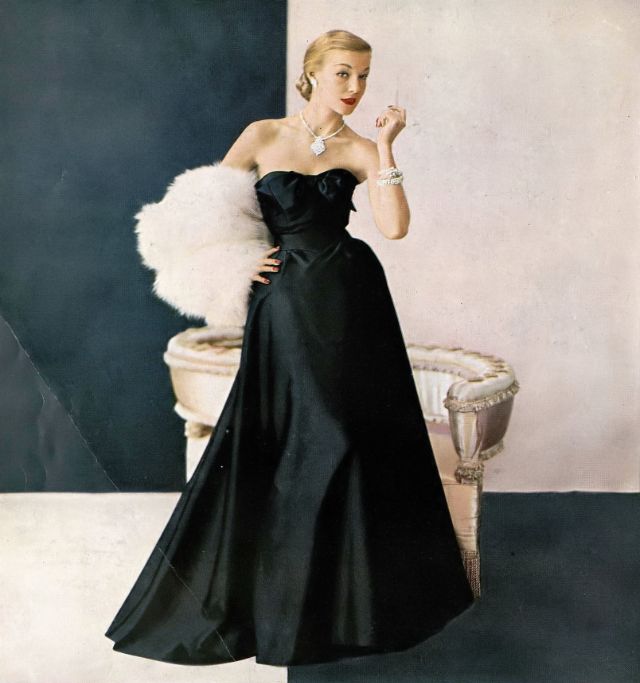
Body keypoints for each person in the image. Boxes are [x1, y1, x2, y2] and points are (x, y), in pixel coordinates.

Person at [105, 29, 474, 668]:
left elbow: (394, 227)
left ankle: (346, 608)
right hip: (284, 305)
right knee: (302, 438)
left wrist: (386, 147)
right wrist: (233, 265)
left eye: (363, 75)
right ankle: (281, 605)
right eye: (343, 73)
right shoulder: (263, 135)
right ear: (312, 73)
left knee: (348, 437)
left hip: (352, 298)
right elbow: (195, 216)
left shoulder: (361, 147)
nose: (355, 87)